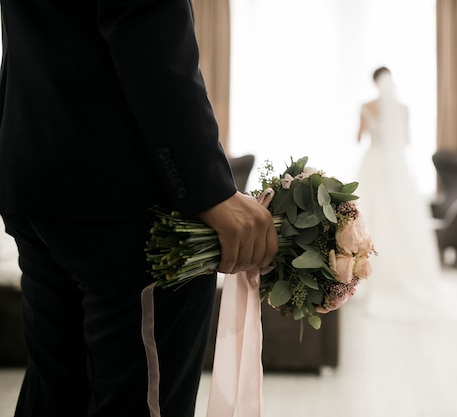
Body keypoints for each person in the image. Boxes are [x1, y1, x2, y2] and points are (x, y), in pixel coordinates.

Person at [0, 1, 278, 416]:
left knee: (54, 394)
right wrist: (209, 189)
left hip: (35, 178)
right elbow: (147, 25)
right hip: (127, 202)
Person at [355, 66, 444, 320]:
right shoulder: (403, 109)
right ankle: (406, 274)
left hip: (374, 162)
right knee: (400, 217)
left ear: (375, 83)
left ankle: (371, 276)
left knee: (372, 215)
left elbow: (359, 137)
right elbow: (406, 140)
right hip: (398, 166)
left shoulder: (367, 106)